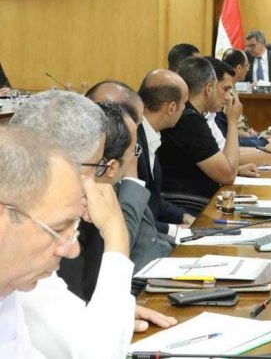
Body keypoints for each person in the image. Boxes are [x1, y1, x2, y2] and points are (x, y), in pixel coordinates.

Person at [9, 91, 176, 335]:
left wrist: (97, 311)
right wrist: (116, 233)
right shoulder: (30, 245)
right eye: (98, 164)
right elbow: (99, 346)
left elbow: (69, 311)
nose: (103, 173)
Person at [0, 126, 134, 359]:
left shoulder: (9, 291)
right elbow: (98, 353)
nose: (72, 250)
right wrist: (116, 235)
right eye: (57, 230)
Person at [96, 102, 173, 271]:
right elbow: (124, 243)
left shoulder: (112, 183)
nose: (136, 157)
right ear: (112, 165)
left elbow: (148, 233)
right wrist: (132, 179)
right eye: (134, 151)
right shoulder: (96, 190)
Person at [158, 56, 241, 198]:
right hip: (189, 203)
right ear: (209, 88)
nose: (228, 97)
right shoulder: (190, 121)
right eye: (225, 89)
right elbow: (228, 175)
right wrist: (232, 122)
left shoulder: (191, 115)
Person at [137, 70, 196, 234]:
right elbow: (130, 212)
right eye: (184, 104)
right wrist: (173, 229)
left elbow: (152, 198)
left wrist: (183, 216)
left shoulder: (149, 133)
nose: (184, 110)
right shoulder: (133, 142)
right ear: (171, 108)